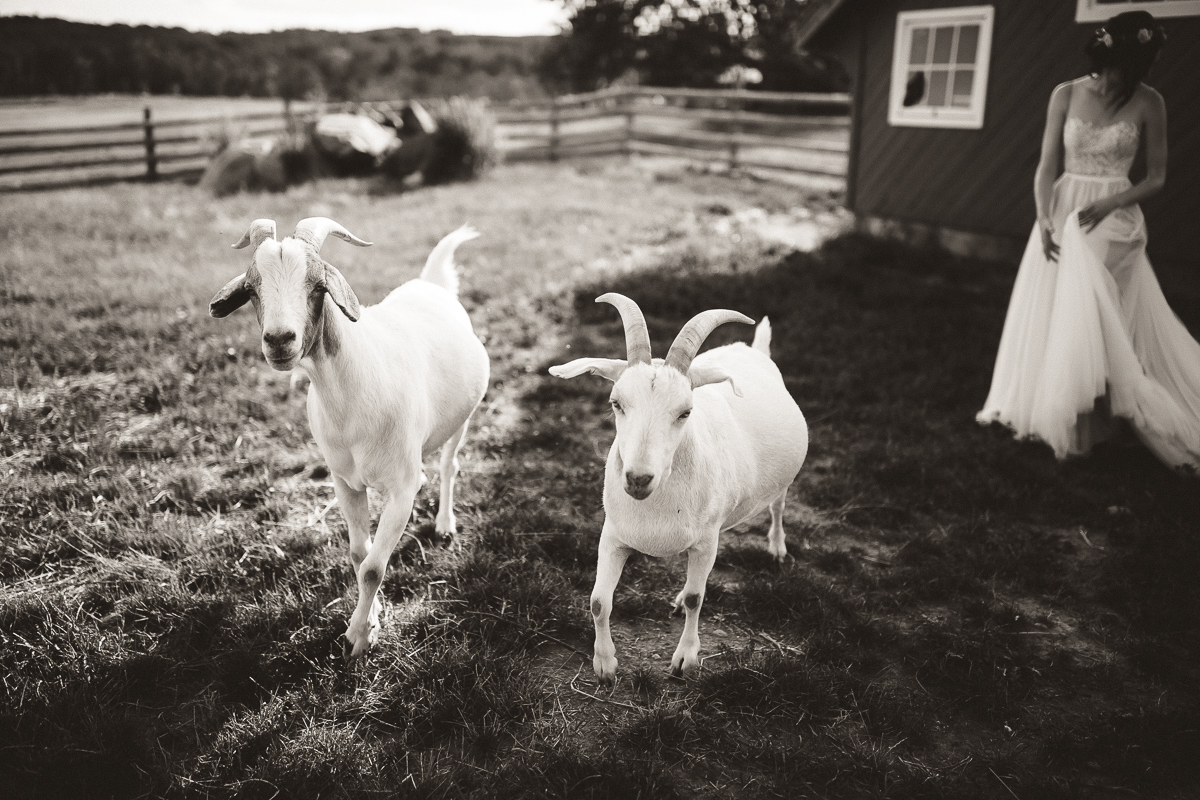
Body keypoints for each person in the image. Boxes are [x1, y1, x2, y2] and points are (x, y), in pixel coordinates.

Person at [977, 11, 1200, 472]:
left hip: (1115, 214)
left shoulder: (1150, 102)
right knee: (1062, 308)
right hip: (1064, 206)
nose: (1135, 74)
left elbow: (1156, 177)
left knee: (1095, 308)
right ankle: (1073, 414)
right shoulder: (1066, 92)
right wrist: (1043, 217)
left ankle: (1106, 415)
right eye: (1132, 63)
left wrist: (1111, 201)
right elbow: (1046, 164)